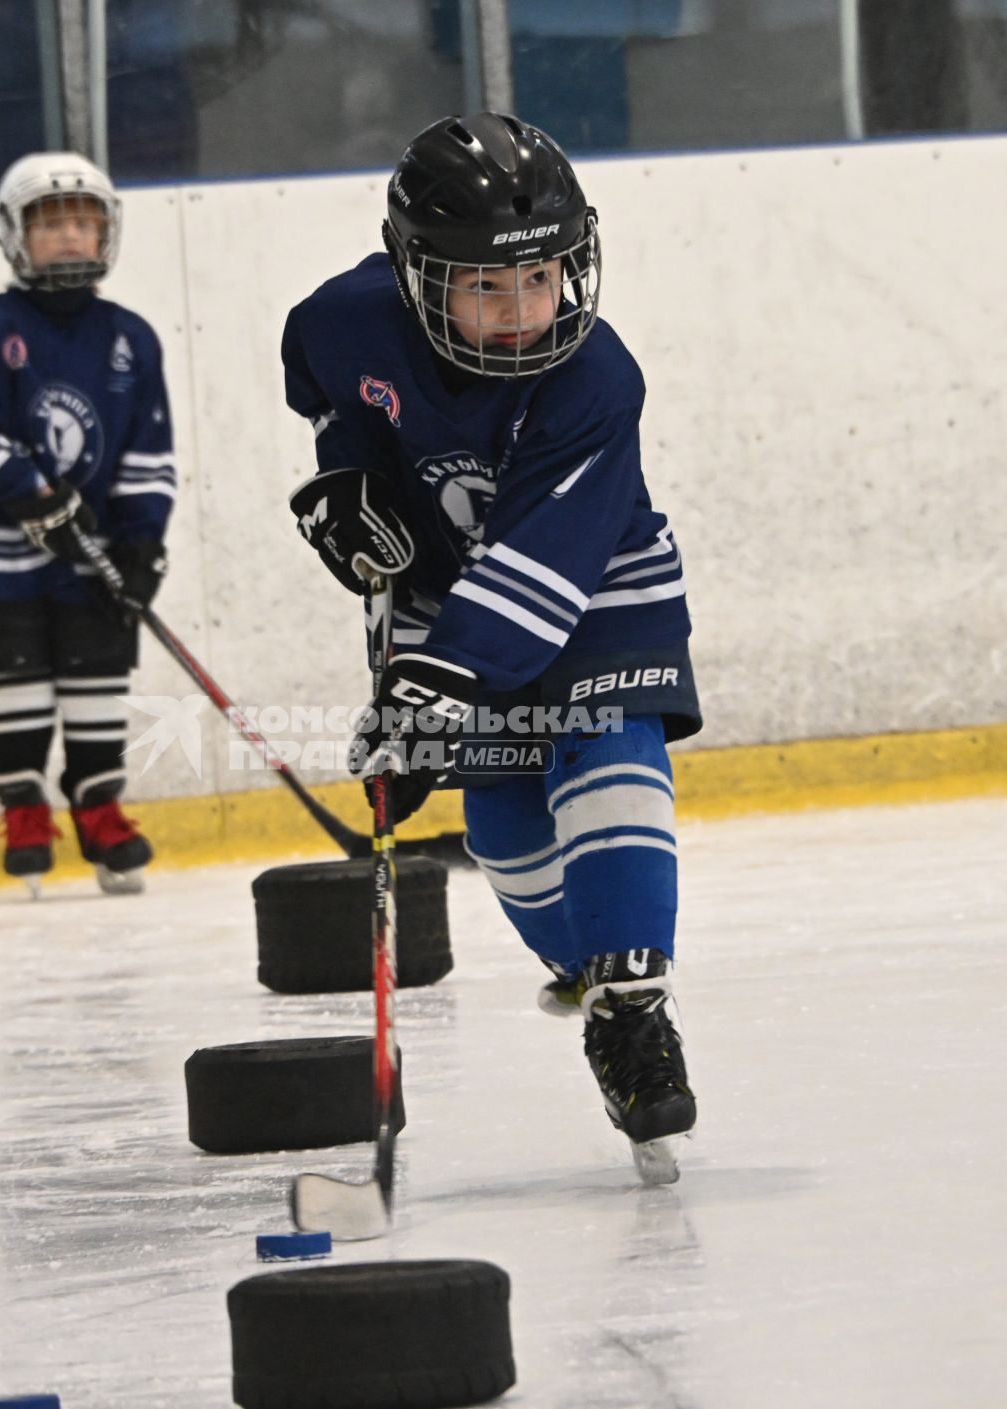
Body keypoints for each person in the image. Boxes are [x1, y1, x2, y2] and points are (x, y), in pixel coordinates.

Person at [282, 113, 701, 1179]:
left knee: (602, 749)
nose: (523, 312)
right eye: (484, 288)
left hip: (597, 588)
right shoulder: (341, 322)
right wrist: (348, 488)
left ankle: (633, 1002)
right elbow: (332, 401)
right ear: (415, 277)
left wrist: (431, 683)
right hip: (449, 590)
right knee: (505, 826)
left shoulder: (595, 381)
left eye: (544, 278)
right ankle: (592, 983)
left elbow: (544, 559)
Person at [0, 153, 175, 894]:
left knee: (97, 679)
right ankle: (24, 810)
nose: (71, 237)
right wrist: (37, 496)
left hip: (96, 554)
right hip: (2, 559)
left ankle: (99, 809)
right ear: (14, 235)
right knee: (13, 679)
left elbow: (149, 452)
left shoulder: (130, 338)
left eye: (85, 222)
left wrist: (140, 543)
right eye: (51, 224)